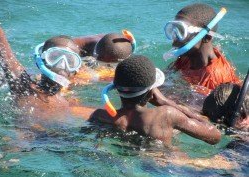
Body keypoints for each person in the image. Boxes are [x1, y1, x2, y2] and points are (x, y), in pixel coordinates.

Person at [89, 55, 221, 146]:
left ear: (116, 89)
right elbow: (214, 136)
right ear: (151, 92)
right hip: (166, 166)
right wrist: (166, 102)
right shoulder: (166, 114)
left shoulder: (99, 116)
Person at [0, 26, 95, 122]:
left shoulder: (68, 103)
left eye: (70, 61)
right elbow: (2, 44)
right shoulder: (23, 87)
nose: (61, 65)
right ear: (41, 61)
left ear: (75, 71)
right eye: (54, 57)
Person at [163, 3, 241, 95]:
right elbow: (166, 75)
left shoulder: (214, 78)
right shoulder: (187, 56)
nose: (174, 41)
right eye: (173, 30)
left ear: (206, 37)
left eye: (182, 32)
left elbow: (208, 108)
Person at [70, 30, 136, 84]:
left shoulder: (125, 47)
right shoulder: (73, 48)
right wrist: (95, 77)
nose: (109, 68)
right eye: (107, 65)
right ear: (95, 57)